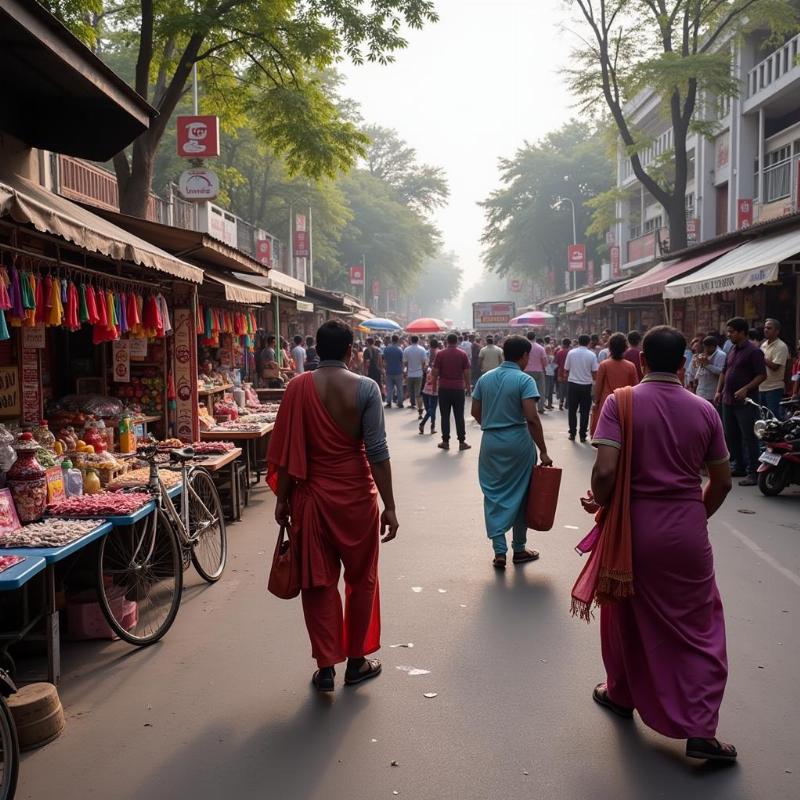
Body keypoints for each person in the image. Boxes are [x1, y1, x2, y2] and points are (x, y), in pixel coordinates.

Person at [585, 325, 735, 762]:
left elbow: (607, 473)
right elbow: (721, 482)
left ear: (642, 361)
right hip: (687, 531)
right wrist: (692, 516)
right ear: (685, 363)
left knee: (625, 613)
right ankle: (701, 729)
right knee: (700, 625)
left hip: (633, 528)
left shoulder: (621, 402)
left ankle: (621, 693)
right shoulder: (704, 410)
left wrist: (601, 500)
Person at [268, 320, 399, 692]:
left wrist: (282, 500)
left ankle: (326, 666)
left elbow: (289, 449)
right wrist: (390, 506)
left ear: (315, 351)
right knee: (362, 580)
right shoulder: (366, 388)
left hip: (309, 499)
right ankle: (356, 662)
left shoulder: (296, 388)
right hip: (357, 498)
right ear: (349, 350)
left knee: (318, 582)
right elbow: (377, 451)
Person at [471, 335, 553, 569]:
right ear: (525, 355)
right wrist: (544, 451)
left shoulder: (485, 379)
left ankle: (499, 551)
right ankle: (519, 548)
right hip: (518, 441)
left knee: (494, 494)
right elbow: (532, 418)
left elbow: (476, 411)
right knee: (522, 492)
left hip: (491, 441)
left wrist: (493, 423)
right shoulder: (524, 380)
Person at [715, 317, 766, 486]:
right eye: (728, 331)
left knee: (749, 437)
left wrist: (746, 388)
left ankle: (754, 471)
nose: (729, 334)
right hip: (727, 400)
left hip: (746, 402)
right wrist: (719, 391)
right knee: (731, 435)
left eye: (732, 332)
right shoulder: (732, 350)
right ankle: (739, 466)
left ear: (742, 332)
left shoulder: (754, 351)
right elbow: (724, 371)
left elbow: (761, 375)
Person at [590, 332, 638, 436]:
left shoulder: (604, 365)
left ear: (610, 347)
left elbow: (598, 387)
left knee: (606, 435)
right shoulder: (631, 366)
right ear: (625, 347)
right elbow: (635, 388)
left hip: (605, 403)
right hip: (625, 404)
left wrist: (596, 402)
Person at [432, 333, 472, 451]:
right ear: (457, 342)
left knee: (445, 416)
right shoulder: (462, 354)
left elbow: (435, 372)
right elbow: (466, 372)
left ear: (447, 341)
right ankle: (461, 442)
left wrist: (434, 385)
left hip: (444, 388)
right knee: (459, 416)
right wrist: (468, 386)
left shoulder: (440, 354)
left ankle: (445, 441)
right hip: (458, 388)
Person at [565, 334, 598, 442]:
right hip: (586, 386)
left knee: (572, 410)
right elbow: (594, 372)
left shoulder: (571, 353)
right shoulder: (591, 355)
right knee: (584, 411)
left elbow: (566, 369)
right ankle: (583, 435)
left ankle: (572, 433)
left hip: (573, 384)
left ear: (578, 341)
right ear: (589, 342)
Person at [759, 318, 789, 419]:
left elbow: (775, 367)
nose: (766, 330)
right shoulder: (763, 344)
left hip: (773, 388)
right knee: (762, 420)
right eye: (765, 327)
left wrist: (761, 357)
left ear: (777, 331)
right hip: (761, 387)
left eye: (769, 328)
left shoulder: (781, 346)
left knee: (772, 419)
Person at [403, 335, 428, 418]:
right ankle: (420, 409)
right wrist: (422, 368)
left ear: (410, 340)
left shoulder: (406, 350)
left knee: (411, 392)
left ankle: (413, 403)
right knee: (418, 393)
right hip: (419, 374)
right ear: (418, 340)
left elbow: (405, 363)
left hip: (410, 374)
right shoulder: (422, 349)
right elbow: (424, 362)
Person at [419, 340, 440, 435]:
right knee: (432, 408)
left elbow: (423, 367)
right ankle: (426, 424)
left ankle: (430, 426)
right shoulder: (439, 353)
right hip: (434, 388)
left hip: (425, 388)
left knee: (430, 409)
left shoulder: (427, 354)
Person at [524, 332, 549, 415]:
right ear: (535, 337)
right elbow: (545, 361)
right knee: (540, 390)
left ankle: (527, 407)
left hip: (526, 371)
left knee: (526, 390)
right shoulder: (540, 348)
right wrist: (544, 367)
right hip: (539, 371)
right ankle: (540, 407)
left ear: (527, 337)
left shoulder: (524, 347)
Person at [383, 335, 405, 408]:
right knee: (399, 388)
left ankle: (389, 402)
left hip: (389, 371)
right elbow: (402, 361)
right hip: (398, 371)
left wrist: (385, 369)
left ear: (391, 340)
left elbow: (384, 361)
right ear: (398, 340)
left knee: (389, 388)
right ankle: (400, 403)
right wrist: (403, 370)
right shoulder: (400, 349)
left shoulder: (386, 349)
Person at [544, 340, 557, 409]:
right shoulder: (544, 357)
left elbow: (555, 365)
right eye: (547, 349)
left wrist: (552, 363)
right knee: (546, 389)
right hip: (546, 374)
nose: (549, 350)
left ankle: (549, 403)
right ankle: (545, 403)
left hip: (551, 374)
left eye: (550, 349)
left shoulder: (552, 357)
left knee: (550, 390)